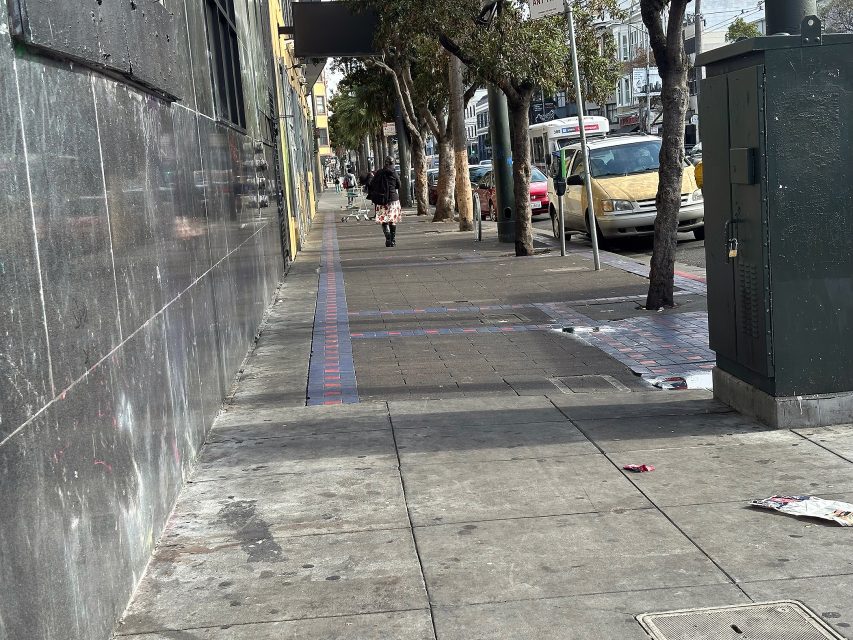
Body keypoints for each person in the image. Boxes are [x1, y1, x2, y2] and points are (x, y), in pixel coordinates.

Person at [368, 157, 402, 247]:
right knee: (392, 220)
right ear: (392, 163)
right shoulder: (394, 173)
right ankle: (393, 240)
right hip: (393, 199)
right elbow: (399, 185)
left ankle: (388, 239)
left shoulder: (379, 173)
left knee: (384, 220)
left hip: (381, 200)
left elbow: (372, 184)